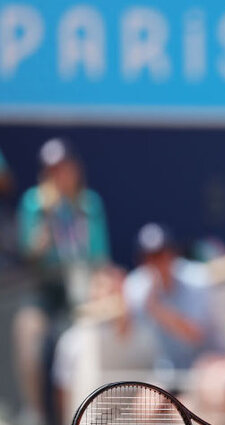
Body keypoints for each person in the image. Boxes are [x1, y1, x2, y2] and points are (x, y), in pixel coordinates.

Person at [14, 138, 110, 425]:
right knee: (28, 331)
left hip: (81, 287)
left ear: (75, 169)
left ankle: (77, 416)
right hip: (47, 286)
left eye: (64, 168)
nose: (59, 176)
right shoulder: (34, 203)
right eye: (52, 171)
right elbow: (29, 253)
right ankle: (35, 414)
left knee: (79, 344)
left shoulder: (90, 204)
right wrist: (46, 220)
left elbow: (99, 258)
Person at [123, 223, 223, 377]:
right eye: (149, 258)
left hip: (207, 366)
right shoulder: (134, 287)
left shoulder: (197, 278)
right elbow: (125, 333)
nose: (157, 263)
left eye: (161, 254)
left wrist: (156, 308)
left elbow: (195, 336)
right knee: (147, 400)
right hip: (169, 374)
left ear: (173, 254)